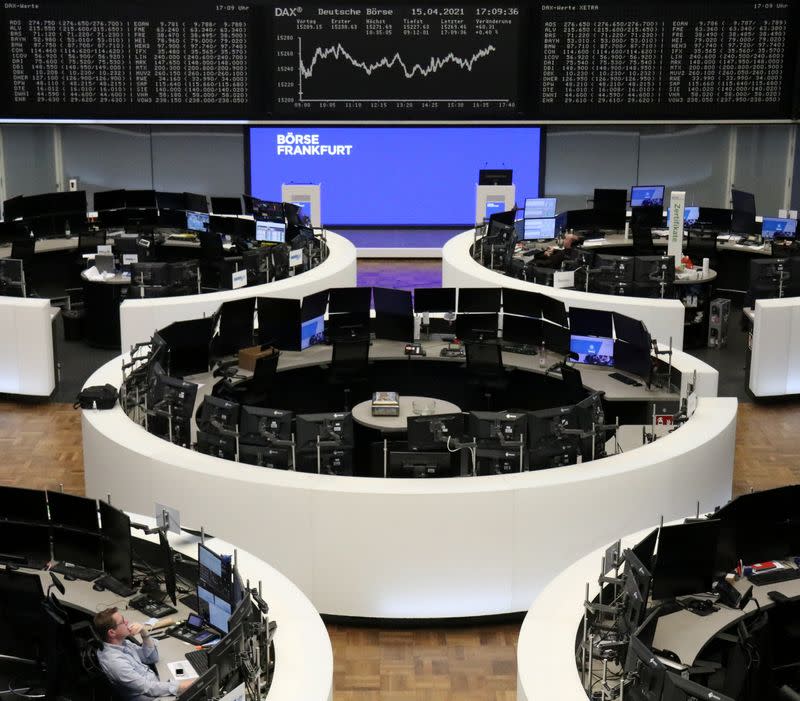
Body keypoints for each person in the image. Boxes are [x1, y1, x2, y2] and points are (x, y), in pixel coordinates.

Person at [94, 607, 194, 700]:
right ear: (112, 633)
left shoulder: (123, 643)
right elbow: (147, 688)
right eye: (123, 622)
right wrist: (180, 686)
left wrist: (144, 634)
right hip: (149, 696)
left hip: (155, 684)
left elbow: (151, 658)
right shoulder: (115, 662)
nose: (127, 622)